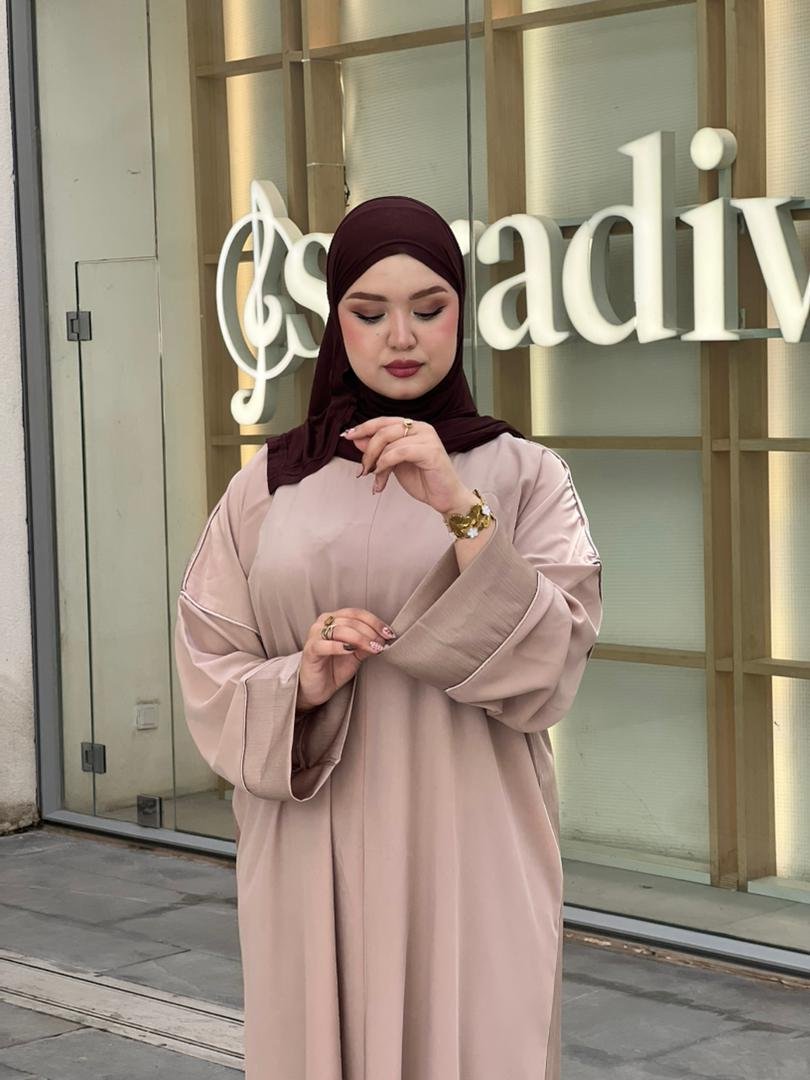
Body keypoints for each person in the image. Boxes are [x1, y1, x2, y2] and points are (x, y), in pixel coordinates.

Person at [174, 195, 603, 1080]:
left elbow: (556, 658)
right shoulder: (268, 485)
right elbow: (209, 657)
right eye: (370, 313)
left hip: (471, 841)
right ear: (337, 324)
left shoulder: (525, 476)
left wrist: (458, 505)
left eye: (428, 308)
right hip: (311, 851)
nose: (401, 337)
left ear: (460, 314)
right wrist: (301, 680)